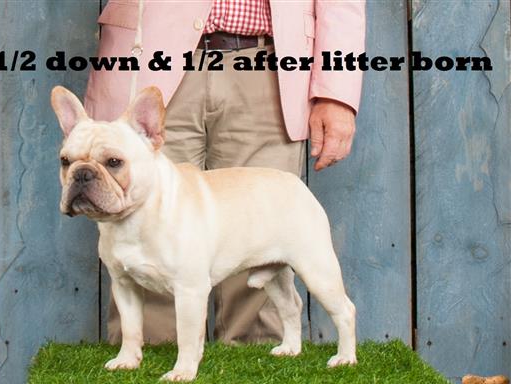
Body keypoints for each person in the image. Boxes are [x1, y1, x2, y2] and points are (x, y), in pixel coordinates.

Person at [84, 0, 365, 345]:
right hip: (147, 57)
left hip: (270, 69)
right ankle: (148, 377)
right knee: (145, 240)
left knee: (261, 245)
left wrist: (336, 92)